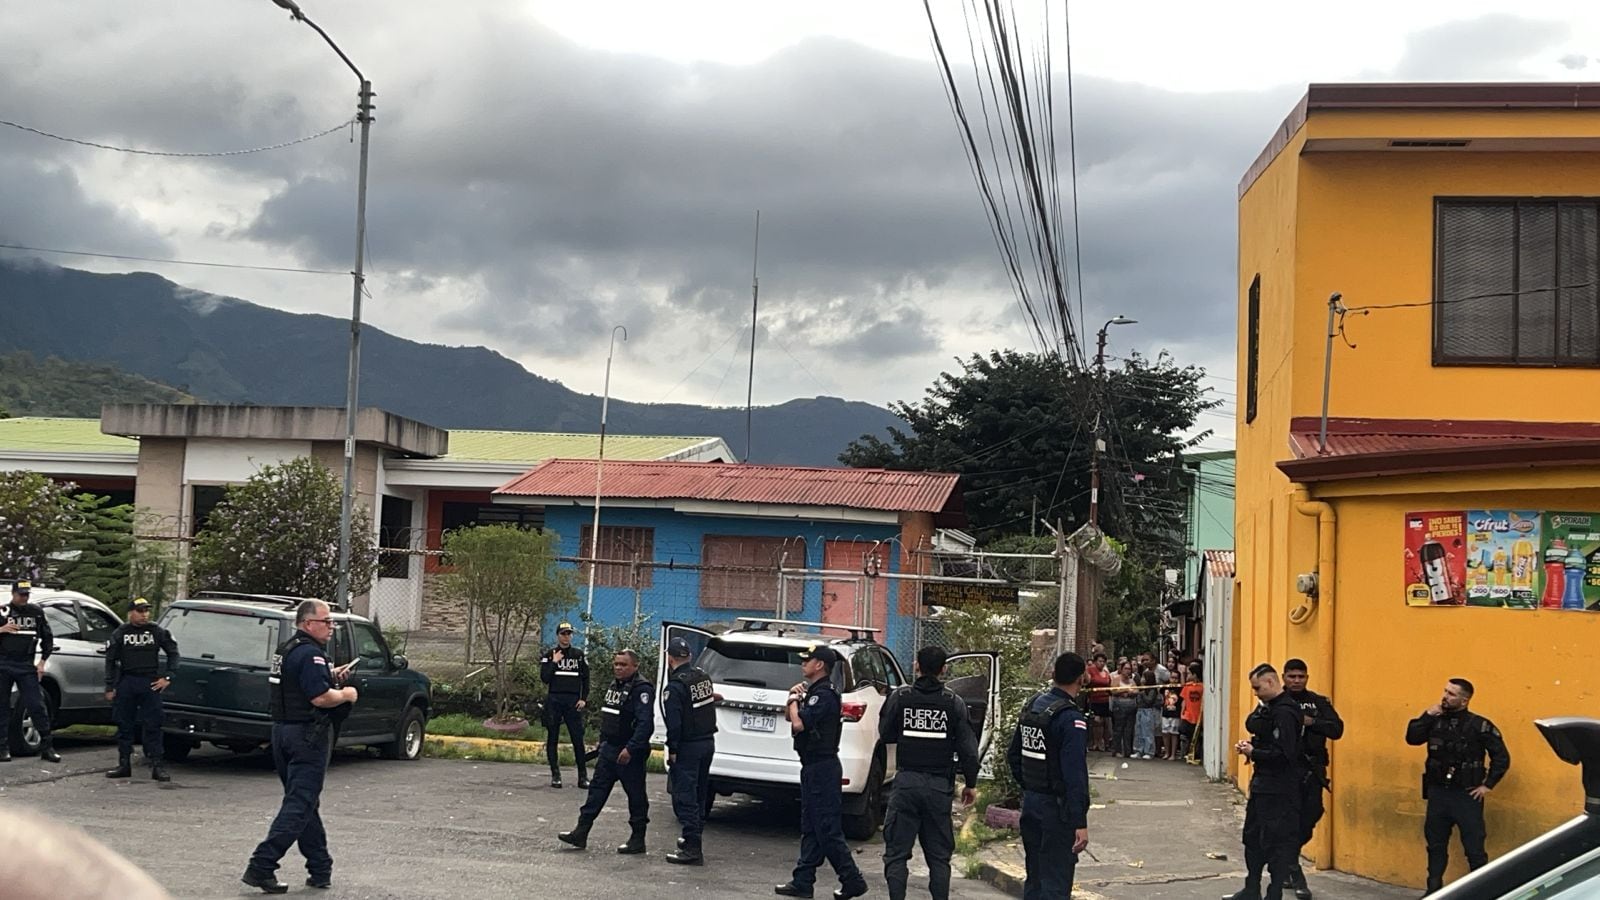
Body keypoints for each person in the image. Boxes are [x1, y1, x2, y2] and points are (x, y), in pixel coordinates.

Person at [243, 599, 358, 894]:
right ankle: (262, 865)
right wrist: (345, 693)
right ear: (308, 624)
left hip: (283, 732)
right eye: (326, 621)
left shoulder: (289, 649)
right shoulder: (311, 655)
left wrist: (331, 677)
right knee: (299, 804)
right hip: (307, 735)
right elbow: (320, 698)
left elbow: (297, 683)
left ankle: (320, 867)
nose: (331, 627)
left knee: (305, 802)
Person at [878, 646, 980, 900]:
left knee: (897, 853)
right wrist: (970, 783)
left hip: (906, 782)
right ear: (944, 669)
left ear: (916, 666)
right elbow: (968, 749)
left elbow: (885, 733)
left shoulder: (900, 697)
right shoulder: (953, 702)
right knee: (939, 856)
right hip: (938, 787)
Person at [775, 644, 868, 899]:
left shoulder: (824, 694)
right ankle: (803, 881)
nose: (803, 664)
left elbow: (798, 723)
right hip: (813, 767)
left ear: (820, 665)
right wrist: (792, 699)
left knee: (827, 829)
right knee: (811, 827)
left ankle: (853, 879)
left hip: (823, 768)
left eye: (808, 660)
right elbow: (789, 716)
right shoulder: (813, 692)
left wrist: (794, 701)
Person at [1405, 677, 1510, 894]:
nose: (1445, 696)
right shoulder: (1434, 719)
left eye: (1452, 694)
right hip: (1438, 794)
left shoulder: (1479, 725)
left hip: (1466, 796)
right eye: (1445, 691)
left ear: (1464, 700)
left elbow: (1501, 758)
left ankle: (1481, 892)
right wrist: (1427, 715)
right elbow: (1412, 738)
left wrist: (1487, 785)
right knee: (1435, 845)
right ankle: (1433, 890)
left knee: (1474, 849)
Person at [1006, 652, 1091, 900]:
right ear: (1081, 679)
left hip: (1032, 803)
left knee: (1035, 876)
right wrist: (1080, 821)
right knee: (1055, 881)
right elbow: (1075, 775)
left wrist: (1032, 786)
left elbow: (1014, 756)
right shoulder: (1070, 719)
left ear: (1053, 675)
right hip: (1056, 810)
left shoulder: (1034, 706)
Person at [559, 649, 654, 854]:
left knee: (636, 797)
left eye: (623, 665)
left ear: (635, 666)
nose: (618, 668)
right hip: (609, 749)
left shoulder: (642, 689)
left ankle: (638, 839)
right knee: (596, 792)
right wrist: (602, 743)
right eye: (616, 664)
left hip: (629, 753)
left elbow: (645, 724)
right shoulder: (615, 686)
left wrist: (631, 748)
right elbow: (609, 716)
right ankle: (581, 832)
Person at [1222, 663, 1304, 900]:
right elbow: (1255, 724)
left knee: (1275, 840)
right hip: (1263, 784)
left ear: (1270, 682)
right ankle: (1252, 887)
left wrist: (1254, 752)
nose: (1255, 692)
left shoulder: (1286, 712)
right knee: (1253, 837)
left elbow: (1285, 754)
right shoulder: (1268, 708)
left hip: (1279, 789)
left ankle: (1274, 891)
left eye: (1258, 687)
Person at [1281, 659, 1344, 900]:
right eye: (1292, 676)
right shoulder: (1276, 702)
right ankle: (1296, 874)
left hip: (1313, 771)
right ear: (1284, 677)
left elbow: (1337, 729)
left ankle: (1288, 860)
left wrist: (1311, 722)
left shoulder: (1318, 702)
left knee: (1311, 816)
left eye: (1301, 677)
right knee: (1288, 822)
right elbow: (1257, 725)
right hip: (1285, 772)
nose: (1296, 681)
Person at [103, 597, 181, 782]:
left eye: (146, 611)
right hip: (128, 681)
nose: (144, 615)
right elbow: (110, 660)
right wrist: (110, 685)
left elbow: (173, 652)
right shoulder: (121, 632)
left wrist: (168, 677)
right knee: (124, 724)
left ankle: (158, 765)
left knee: (153, 724)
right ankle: (124, 764)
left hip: (150, 682)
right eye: (140, 611)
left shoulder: (156, 631)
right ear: (131, 613)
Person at [662, 637, 717, 865]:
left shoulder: (675, 687)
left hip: (688, 747)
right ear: (689, 657)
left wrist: (672, 748)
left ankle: (692, 848)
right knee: (700, 794)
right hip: (707, 743)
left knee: (686, 797)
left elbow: (674, 724)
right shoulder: (702, 677)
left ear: (670, 658)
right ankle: (692, 839)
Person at [0, 581, 59, 763]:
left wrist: (42, 662)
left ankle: (47, 747)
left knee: (36, 705)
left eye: (26, 594)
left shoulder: (36, 613)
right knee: (2, 706)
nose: (24, 598)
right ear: (13, 593)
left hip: (26, 664)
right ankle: (2, 747)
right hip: (3, 663)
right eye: (21, 594)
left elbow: (47, 638)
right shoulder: (3, 612)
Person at [539, 621, 590, 789]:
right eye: (563, 634)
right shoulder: (549, 654)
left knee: (577, 739)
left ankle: (582, 776)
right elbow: (545, 678)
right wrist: (554, 662)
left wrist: (583, 698)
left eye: (569, 634)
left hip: (572, 701)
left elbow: (586, 679)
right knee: (552, 737)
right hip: (554, 700)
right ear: (557, 636)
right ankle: (555, 775)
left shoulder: (578, 655)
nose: (566, 637)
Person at [1109, 660, 1137, 758]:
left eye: (1129, 669)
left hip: (1131, 708)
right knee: (1118, 729)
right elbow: (1113, 691)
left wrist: (1129, 693)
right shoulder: (1116, 679)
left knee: (1129, 730)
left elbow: (1136, 691)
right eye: (1126, 668)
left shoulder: (1132, 681)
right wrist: (1125, 690)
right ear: (1121, 669)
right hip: (1119, 707)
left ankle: (1127, 751)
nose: (1128, 671)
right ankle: (1116, 750)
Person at [1085, 653, 1112, 752]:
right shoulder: (1090, 670)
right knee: (1096, 721)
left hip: (1104, 699)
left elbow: (1109, 684)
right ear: (1095, 661)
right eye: (1099, 661)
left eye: (1103, 662)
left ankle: (1102, 742)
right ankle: (1096, 742)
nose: (1101, 663)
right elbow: (1087, 682)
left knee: (1104, 722)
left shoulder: (1106, 672)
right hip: (1094, 699)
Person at [1134, 663, 1159, 760]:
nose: (1142, 679)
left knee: (1147, 731)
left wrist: (1143, 693)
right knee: (1138, 731)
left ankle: (1149, 751)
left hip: (1148, 711)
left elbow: (1149, 700)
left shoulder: (1151, 690)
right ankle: (1138, 750)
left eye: (1144, 677)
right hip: (1140, 710)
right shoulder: (1140, 688)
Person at [1179, 663, 1205, 759]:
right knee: (1185, 736)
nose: (1188, 676)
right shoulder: (1187, 686)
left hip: (1198, 716)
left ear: (1195, 675)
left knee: (1197, 738)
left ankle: (1195, 755)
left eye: (1190, 674)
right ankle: (1184, 754)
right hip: (1188, 715)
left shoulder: (1202, 687)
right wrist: (1182, 713)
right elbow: (1184, 701)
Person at [1159, 671, 1182, 760]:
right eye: (1172, 677)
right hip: (1165, 713)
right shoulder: (1165, 687)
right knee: (1165, 733)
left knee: (1174, 733)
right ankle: (1167, 753)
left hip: (1175, 714)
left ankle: (1173, 754)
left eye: (1176, 678)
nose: (1174, 680)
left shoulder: (1180, 688)